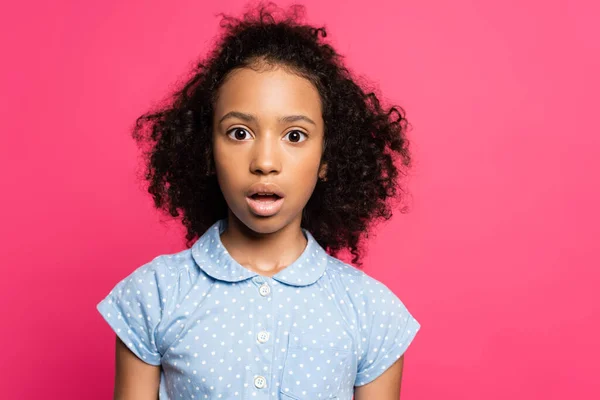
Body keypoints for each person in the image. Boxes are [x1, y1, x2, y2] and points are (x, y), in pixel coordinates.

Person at [96, 2, 421, 399]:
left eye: (295, 136)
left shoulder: (372, 313)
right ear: (206, 150)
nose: (265, 163)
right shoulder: (155, 295)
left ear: (327, 158)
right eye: (239, 133)